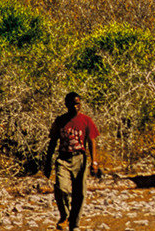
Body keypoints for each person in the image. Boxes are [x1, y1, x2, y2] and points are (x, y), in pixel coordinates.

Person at [44, 92, 100, 231]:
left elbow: (91, 141)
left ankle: (75, 224)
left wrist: (94, 162)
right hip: (63, 158)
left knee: (80, 193)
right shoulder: (60, 121)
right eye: (73, 104)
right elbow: (52, 142)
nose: (76, 107)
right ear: (66, 105)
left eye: (78, 103)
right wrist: (47, 162)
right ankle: (65, 216)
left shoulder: (86, 120)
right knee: (62, 188)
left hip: (80, 158)